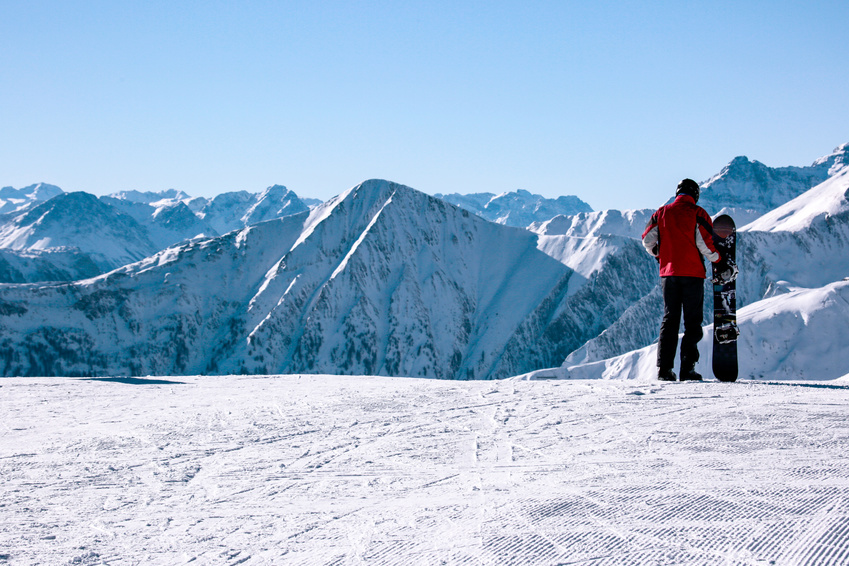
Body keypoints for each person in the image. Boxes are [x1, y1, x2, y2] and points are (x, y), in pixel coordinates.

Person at [641, 179, 724, 381]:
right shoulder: (698, 213)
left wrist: (659, 253)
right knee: (692, 322)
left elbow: (646, 240)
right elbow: (704, 243)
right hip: (692, 274)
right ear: (695, 194)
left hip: (668, 275)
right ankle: (687, 369)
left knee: (669, 320)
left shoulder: (661, 213)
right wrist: (719, 259)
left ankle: (664, 370)